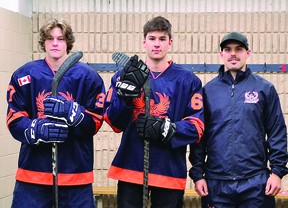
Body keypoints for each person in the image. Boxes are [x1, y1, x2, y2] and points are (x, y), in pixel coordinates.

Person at [103, 16, 204, 207]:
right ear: (144, 42)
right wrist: (124, 99)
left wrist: (168, 128)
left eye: (162, 39)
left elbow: (197, 126)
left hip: (169, 170)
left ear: (170, 43)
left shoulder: (188, 81)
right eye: (152, 38)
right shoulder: (124, 76)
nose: (156, 44)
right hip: (131, 168)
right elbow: (113, 121)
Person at [6, 19, 106, 208]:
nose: (55, 43)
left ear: (68, 42)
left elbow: (95, 120)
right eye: (50, 38)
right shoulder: (25, 74)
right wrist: (35, 128)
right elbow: (14, 116)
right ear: (43, 41)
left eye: (60, 39)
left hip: (76, 174)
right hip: (33, 174)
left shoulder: (88, 76)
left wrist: (76, 114)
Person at [189, 31, 288, 208]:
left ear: (247, 53)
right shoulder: (208, 91)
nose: (233, 54)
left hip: (255, 184)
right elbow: (199, 137)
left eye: (239, 49)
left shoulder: (264, 89)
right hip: (217, 184)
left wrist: (277, 173)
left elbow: (277, 132)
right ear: (221, 54)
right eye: (228, 49)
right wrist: (197, 175)